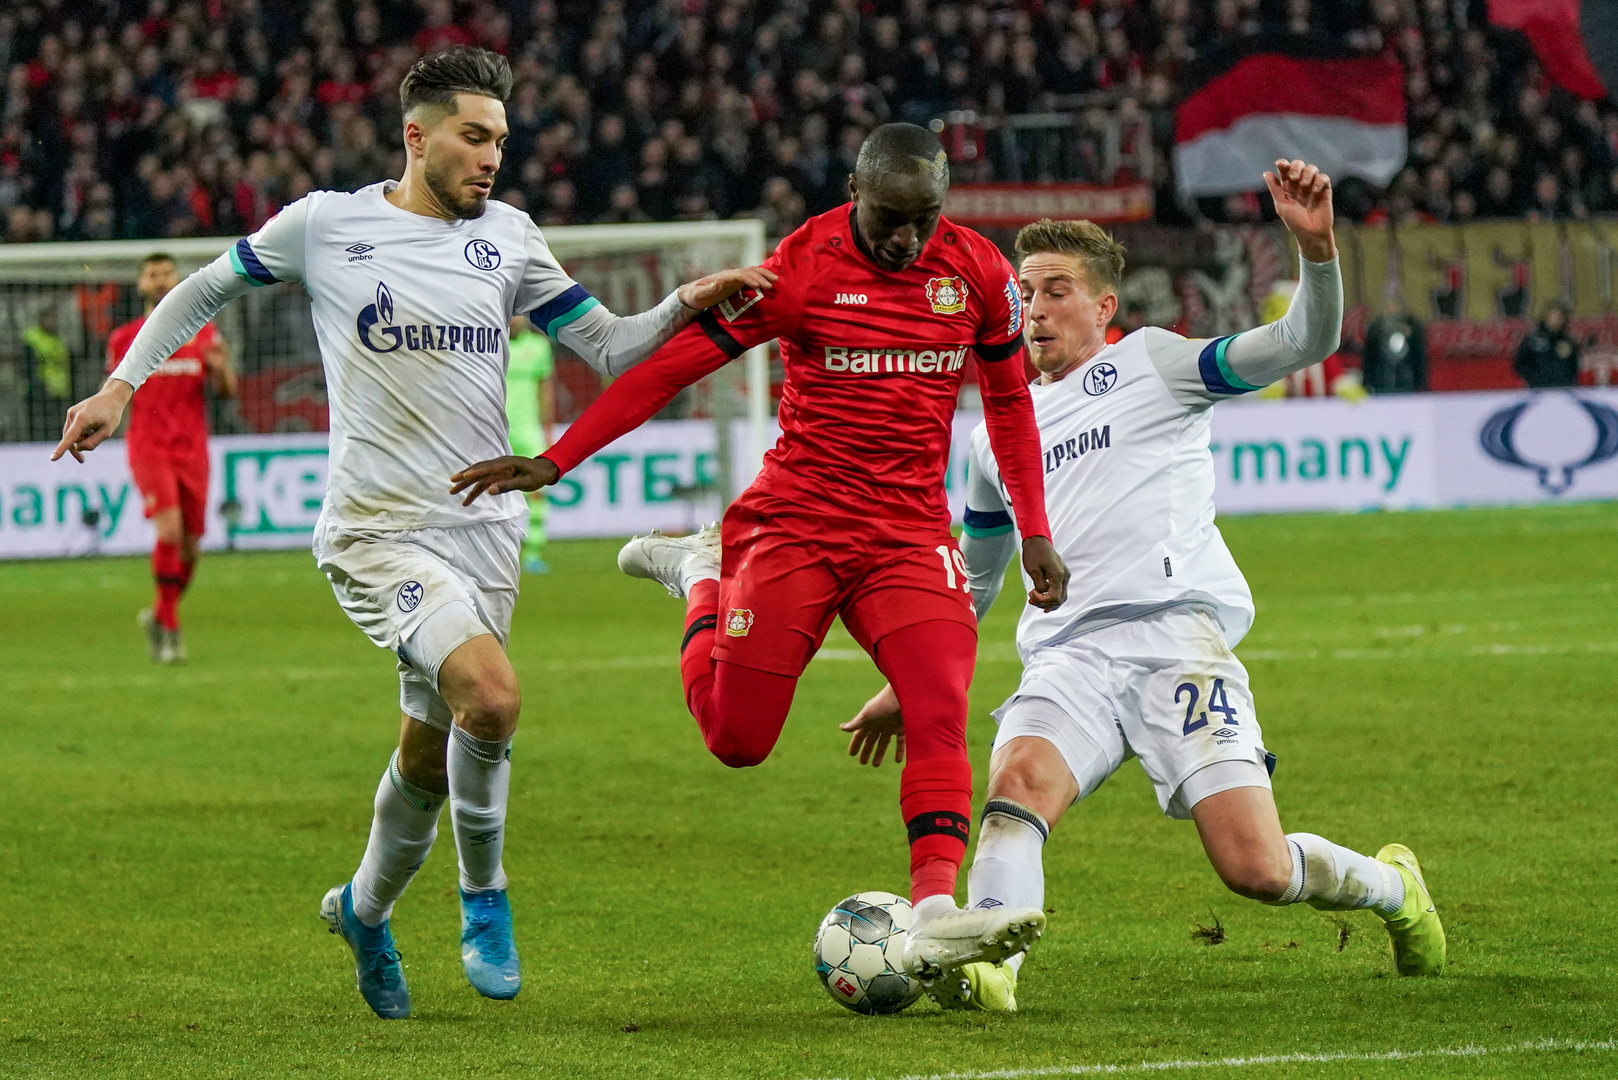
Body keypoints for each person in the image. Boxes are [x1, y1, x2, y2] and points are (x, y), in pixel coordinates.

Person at [54, 46, 772, 1021]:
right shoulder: (326, 223)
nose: (491, 158)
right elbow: (202, 290)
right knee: (493, 697)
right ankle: (485, 898)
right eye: (473, 137)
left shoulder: (511, 236)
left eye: (500, 141)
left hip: (484, 531)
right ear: (416, 136)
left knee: (432, 752)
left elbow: (604, 344)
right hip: (375, 529)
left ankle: (362, 908)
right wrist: (121, 385)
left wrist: (681, 305)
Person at [449, 122, 1070, 995]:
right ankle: (702, 576)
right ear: (855, 195)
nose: (909, 239)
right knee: (738, 740)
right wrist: (558, 459)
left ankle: (933, 913)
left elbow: (1007, 404)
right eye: (892, 219)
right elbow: (670, 369)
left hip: (905, 536)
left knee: (940, 699)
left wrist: (1032, 525)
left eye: (925, 219)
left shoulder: (977, 272)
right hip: (796, 525)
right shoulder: (801, 267)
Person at [843, 162, 1446, 1013]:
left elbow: (1299, 344)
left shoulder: (1159, 367)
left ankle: (1393, 890)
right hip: (1067, 655)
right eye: (1024, 291)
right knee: (1014, 789)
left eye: (1057, 291)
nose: (1036, 307)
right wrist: (907, 685)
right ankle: (987, 964)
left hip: (1174, 641)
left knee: (1257, 870)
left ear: (1103, 310)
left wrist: (1315, 253)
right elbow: (971, 584)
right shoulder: (987, 441)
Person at [106, 253, 237, 663]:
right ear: (141, 284)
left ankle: (160, 616)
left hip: (192, 449)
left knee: (192, 547)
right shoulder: (124, 339)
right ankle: (171, 632)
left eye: (167, 274)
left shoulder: (204, 334)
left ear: (178, 280)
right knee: (169, 532)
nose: (160, 281)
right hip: (148, 447)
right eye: (152, 275)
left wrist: (220, 369)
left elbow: (228, 392)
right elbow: (112, 392)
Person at [505, 314, 555, 573]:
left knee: (537, 489)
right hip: (494, 430)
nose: (516, 319)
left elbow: (544, 389)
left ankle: (534, 550)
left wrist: (547, 428)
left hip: (527, 428)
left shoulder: (538, 346)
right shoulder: (491, 344)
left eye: (520, 313)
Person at [1361, 291, 1428, 394]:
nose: (1391, 308)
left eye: (1395, 303)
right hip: (1381, 384)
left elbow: (1419, 357)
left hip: (1407, 383)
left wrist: (1421, 384)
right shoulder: (1376, 328)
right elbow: (1369, 358)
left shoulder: (1413, 326)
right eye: (1388, 304)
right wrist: (1367, 384)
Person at [23, 307, 72, 442]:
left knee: (56, 428)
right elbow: (27, 367)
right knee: (40, 429)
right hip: (38, 392)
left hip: (58, 391)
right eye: (50, 318)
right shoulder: (32, 338)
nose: (53, 322)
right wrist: (39, 387)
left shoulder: (57, 339)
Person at [1514, 301, 1580, 388]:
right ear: (1546, 317)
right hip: (1538, 390)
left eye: (1559, 317)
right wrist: (1534, 378)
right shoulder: (1533, 341)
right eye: (1553, 316)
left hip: (1563, 391)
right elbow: (1519, 364)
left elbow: (1575, 366)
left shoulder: (1569, 342)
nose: (1556, 320)